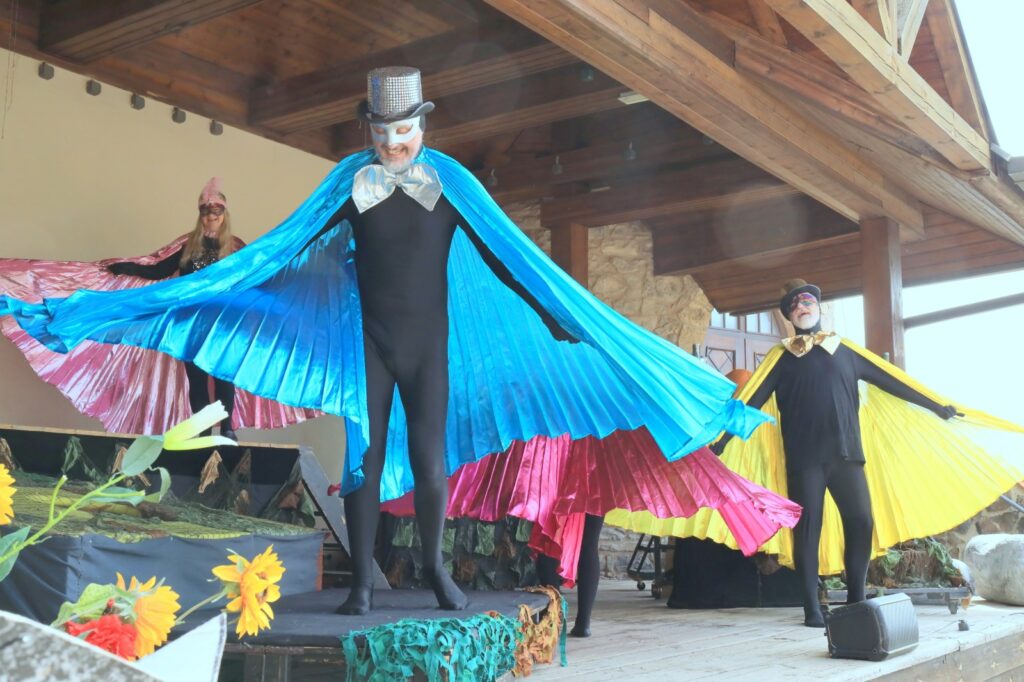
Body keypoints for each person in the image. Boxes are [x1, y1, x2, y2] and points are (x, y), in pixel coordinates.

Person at [0, 67, 799, 617]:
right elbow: (279, 250)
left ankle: (439, 570)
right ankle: (363, 586)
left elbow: (509, 258)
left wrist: (554, 317)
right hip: (370, 347)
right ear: (371, 129)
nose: (394, 144)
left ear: (422, 125)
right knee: (364, 456)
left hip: (430, 348)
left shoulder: (451, 184)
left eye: (404, 130)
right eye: (382, 132)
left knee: (427, 458)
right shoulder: (350, 183)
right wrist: (205, 288)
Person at [605, 278, 1024, 628]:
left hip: (847, 455)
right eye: (794, 305)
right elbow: (748, 402)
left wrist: (936, 405)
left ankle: (856, 599)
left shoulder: (846, 350)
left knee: (861, 521)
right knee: (807, 530)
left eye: (807, 300)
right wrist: (720, 443)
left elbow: (892, 381)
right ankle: (811, 607)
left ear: (818, 307)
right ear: (789, 317)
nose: (801, 306)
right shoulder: (781, 358)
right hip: (804, 460)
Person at [106, 178, 240, 440]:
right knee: (197, 380)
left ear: (224, 215)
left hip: (221, 324)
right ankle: (202, 432)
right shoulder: (188, 249)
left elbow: (252, 279)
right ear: (200, 216)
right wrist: (125, 268)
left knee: (223, 376)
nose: (211, 217)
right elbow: (159, 271)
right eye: (206, 212)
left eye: (217, 211)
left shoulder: (234, 252)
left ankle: (227, 429)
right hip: (191, 324)